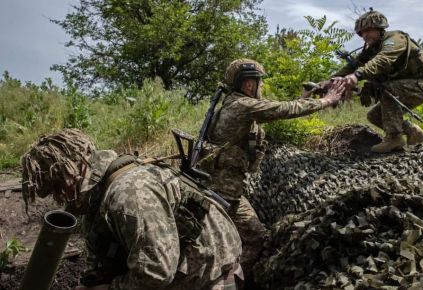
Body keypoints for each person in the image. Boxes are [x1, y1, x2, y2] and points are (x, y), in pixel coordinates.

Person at [21, 128, 243, 290]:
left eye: (58, 187)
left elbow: (156, 271)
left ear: (74, 170)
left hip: (210, 278)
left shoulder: (129, 194)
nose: (59, 198)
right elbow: (101, 255)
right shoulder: (96, 195)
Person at [196, 58, 347, 272]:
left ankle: (230, 277)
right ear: (249, 84)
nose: (262, 86)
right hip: (222, 193)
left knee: (256, 236)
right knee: (252, 238)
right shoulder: (243, 105)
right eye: (260, 82)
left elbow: (277, 108)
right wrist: (326, 100)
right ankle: (223, 279)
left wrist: (303, 99)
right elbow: (282, 110)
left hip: (226, 190)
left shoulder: (234, 103)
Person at [331, 8, 423, 153]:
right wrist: (327, 83)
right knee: (375, 116)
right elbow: (349, 68)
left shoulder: (395, 39)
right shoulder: (370, 50)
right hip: (408, 85)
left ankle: (394, 138)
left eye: (368, 30)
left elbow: (382, 60)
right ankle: (412, 131)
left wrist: (357, 75)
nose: (364, 35)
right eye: (361, 32)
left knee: (388, 89)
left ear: (380, 29)